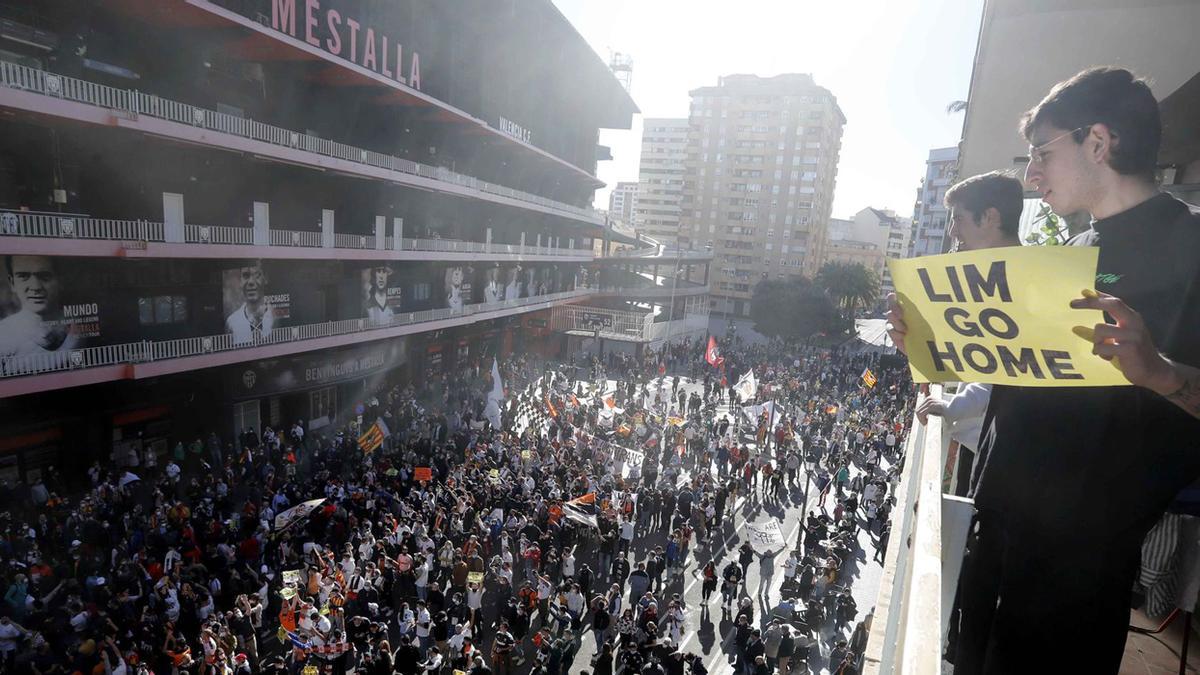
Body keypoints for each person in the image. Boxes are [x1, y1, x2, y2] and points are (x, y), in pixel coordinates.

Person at [889, 66, 1200, 673]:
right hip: (1002, 519)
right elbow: (1020, 369)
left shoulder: (1190, 246)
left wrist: (1159, 371)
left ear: (1099, 142)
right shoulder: (1071, 254)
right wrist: (930, 345)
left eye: (1041, 154)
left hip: (1081, 564)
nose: (1030, 175)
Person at [0, 255, 81, 362]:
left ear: (60, 280)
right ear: (12, 283)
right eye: (23, 276)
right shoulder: (3, 334)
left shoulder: (80, 328)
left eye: (44, 276)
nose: (36, 287)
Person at [224, 260, 274, 343]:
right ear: (240, 281)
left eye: (257, 275)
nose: (251, 282)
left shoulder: (276, 317)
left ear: (266, 278)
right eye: (246, 275)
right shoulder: (232, 322)